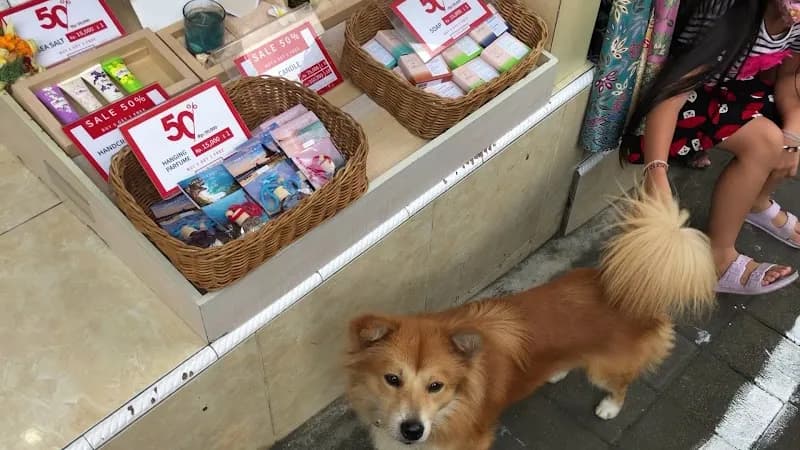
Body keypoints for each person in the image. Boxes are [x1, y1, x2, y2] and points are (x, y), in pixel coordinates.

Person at [623, 0, 800, 295]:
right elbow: (672, 94)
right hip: (686, 98)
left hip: (736, 87)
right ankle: (718, 258)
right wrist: (656, 175)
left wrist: (793, 134)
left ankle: (756, 202)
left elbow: (789, 78)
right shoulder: (725, 10)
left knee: (788, 138)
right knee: (767, 141)